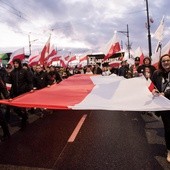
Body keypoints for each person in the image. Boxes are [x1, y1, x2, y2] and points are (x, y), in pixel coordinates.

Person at [151, 54, 170, 162]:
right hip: (165, 106)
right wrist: (153, 90)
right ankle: (169, 150)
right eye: (164, 61)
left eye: (168, 60)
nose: (166, 62)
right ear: (161, 63)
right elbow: (151, 85)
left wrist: (165, 93)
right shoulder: (157, 74)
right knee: (168, 129)